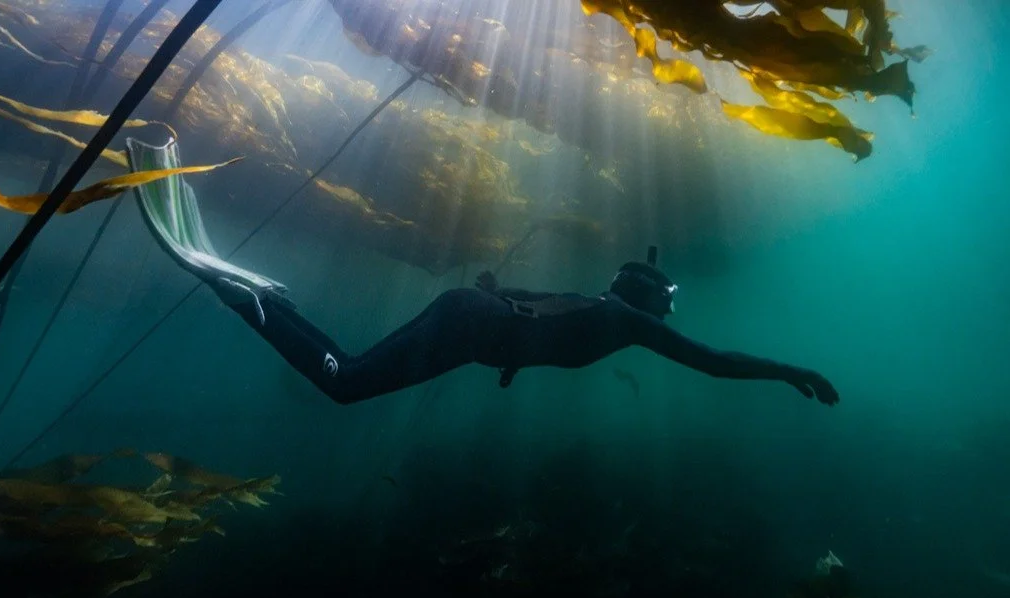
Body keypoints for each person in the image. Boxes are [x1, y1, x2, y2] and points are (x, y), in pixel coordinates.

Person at [127, 138, 839, 407]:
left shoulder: (593, 302)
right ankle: (230, 287)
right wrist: (786, 369)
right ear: (647, 300)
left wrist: (498, 319)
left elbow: (514, 305)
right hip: (470, 325)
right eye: (667, 302)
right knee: (342, 382)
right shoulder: (624, 322)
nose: (668, 313)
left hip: (469, 316)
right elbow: (712, 363)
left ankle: (247, 290)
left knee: (345, 370)